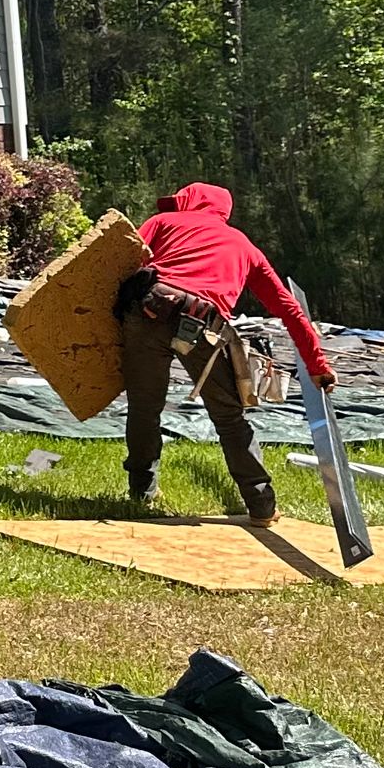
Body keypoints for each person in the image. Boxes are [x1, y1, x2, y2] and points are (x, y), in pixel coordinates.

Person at [117, 182, 333, 524]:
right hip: (202, 323)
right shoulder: (243, 245)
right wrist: (317, 365)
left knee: (144, 408)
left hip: (149, 311)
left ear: (190, 202)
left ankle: (141, 492)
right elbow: (288, 309)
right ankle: (261, 506)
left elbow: (120, 261)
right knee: (229, 417)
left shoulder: (163, 222)